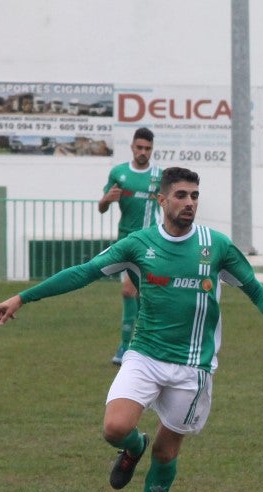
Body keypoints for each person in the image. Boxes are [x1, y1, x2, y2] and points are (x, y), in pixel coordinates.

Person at [0, 167, 263, 492]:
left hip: (193, 366)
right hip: (145, 355)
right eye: (181, 195)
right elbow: (84, 272)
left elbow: (254, 289)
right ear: (162, 200)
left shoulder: (215, 246)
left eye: (194, 196)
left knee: (167, 450)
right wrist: (23, 297)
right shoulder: (139, 245)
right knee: (114, 430)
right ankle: (132, 447)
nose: (189, 202)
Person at [98, 126, 162, 365]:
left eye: (148, 148)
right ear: (133, 147)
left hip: (149, 240)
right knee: (137, 294)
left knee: (131, 291)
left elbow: (168, 206)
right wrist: (106, 199)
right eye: (140, 147)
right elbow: (102, 207)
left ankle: (128, 346)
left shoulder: (159, 176)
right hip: (125, 239)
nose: (143, 152)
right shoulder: (119, 173)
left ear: (152, 149)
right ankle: (135, 344)